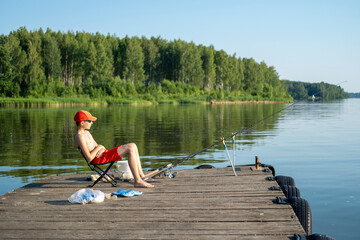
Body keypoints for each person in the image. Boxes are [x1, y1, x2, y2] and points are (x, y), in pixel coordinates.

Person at [73, 110, 154, 188]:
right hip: (99, 159)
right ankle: (138, 181)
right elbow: (89, 158)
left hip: (103, 154)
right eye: (89, 121)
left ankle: (142, 176)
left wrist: (100, 147)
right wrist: (99, 147)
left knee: (133, 146)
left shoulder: (86, 133)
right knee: (130, 147)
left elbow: (98, 146)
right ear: (82, 123)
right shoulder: (79, 137)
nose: (92, 123)